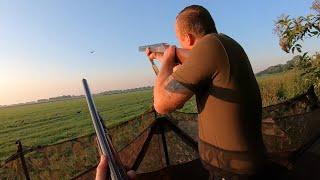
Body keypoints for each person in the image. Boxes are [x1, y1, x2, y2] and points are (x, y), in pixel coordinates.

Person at [146, 5, 267, 180]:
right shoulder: (225, 44)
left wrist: (167, 58)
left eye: (179, 41)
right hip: (238, 168)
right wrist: (164, 57)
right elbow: (182, 83)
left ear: (187, 38)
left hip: (234, 173)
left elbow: (161, 103)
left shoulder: (209, 46)